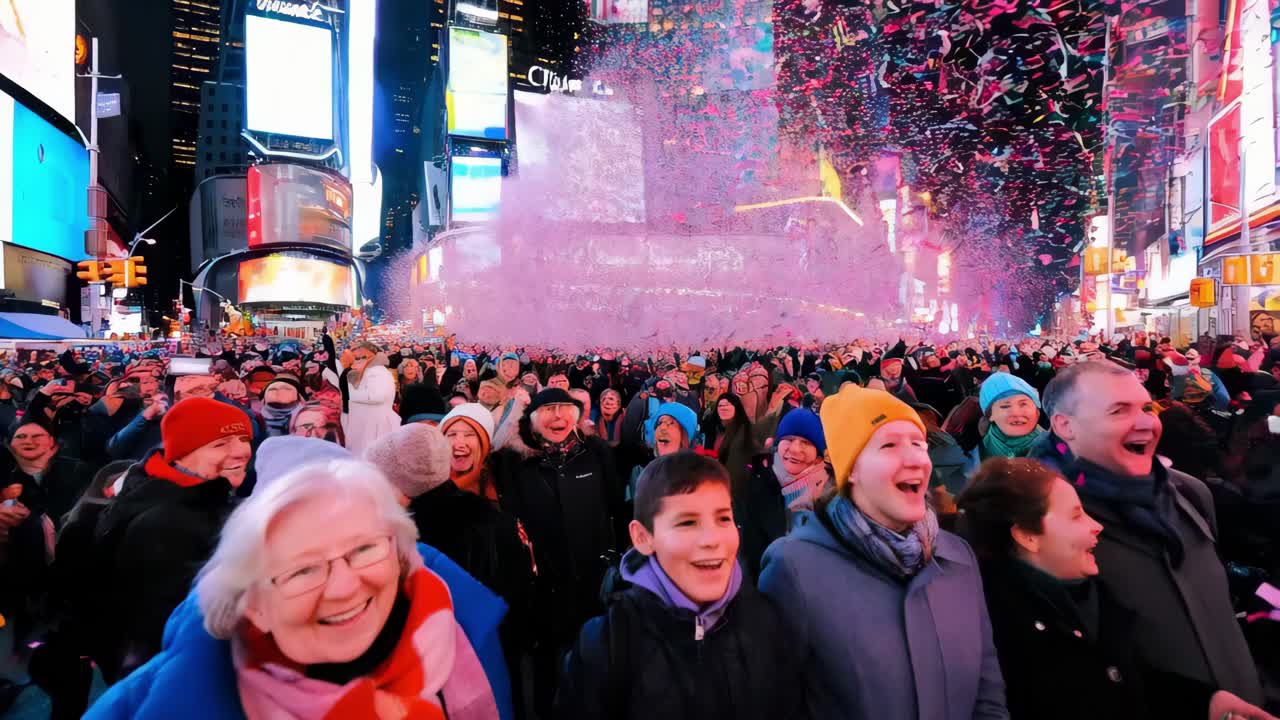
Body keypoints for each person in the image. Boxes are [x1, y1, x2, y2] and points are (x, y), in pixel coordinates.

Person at [84, 455, 513, 720]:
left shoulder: (467, 641)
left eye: (364, 549)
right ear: (252, 602)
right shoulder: (151, 705)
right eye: (302, 570)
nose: (343, 587)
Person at [958, 456, 1276, 720]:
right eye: (1076, 515)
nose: (1095, 525)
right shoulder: (996, 631)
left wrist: (1205, 702)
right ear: (1027, 536)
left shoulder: (1093, 595)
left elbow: (1126, 680)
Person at [759, 385, 1007, 719]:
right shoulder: (795, 567)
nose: (914, 457)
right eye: (889, 445)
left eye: (918, 444)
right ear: (853, 470)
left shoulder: (957, 557)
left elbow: (987, 691)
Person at [1031, 361, 1265, 705]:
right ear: (1065, 425)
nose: (1145, 422)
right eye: (1119, 410)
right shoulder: (1040, 523)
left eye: (1146, 407)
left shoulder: (1189, 494)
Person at [555, 452, 801, 720]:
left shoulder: (765, 622)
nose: (712, 539)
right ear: (643, 537)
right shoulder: (607, 646)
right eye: (687, 522)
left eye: (723, 518)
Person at [92, 397, 254, 682]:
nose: (241, 451)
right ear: (180, 454)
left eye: (244, 439)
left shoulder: (201, 498)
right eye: (221, 443)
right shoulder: (165, 523)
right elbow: (165, 629)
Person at [488, 388, 623, 717]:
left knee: (594, 670)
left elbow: (617, 508)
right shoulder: (512, 462)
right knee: (546, 678)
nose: (558, 416)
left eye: (565, 408)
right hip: (542, 592)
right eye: (548, 409)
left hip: (593, 584)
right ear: (533, 419)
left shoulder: (596, 454)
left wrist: (613, 560)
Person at [738, 408, 830, 580]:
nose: (795, 449)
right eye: (788, 439)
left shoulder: (831, 493)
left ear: (818, 455)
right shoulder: (759, 479)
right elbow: (750, 548)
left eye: (806, 442)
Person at [340, 343, 400, 455]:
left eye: (359, 357)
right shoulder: (367, 371)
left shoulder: (376, 371)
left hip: (374, 426)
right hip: (367, 424)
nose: (356, 361)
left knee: (371, 457)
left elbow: (377, 395)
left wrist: (351, 396)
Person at [976, 373, 1045, 461]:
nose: (1016, 412)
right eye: (1005, 406)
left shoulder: (989, 434)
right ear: (991, 415)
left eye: (1023, 404)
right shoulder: (1043, 443)